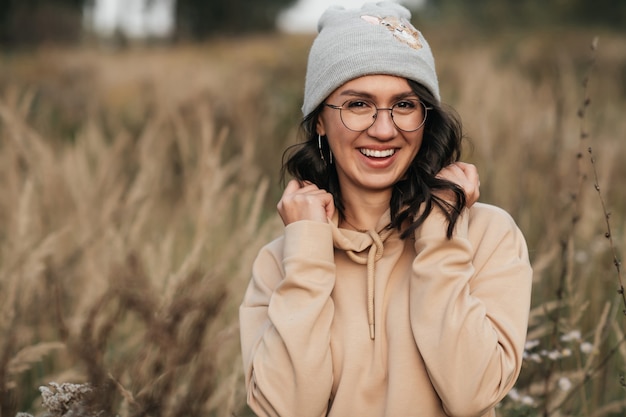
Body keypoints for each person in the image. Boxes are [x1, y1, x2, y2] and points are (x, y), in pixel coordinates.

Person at [239, 2, 533, 416]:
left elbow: (473, 394)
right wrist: (306, 254)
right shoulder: (281, 261)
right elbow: (289, 409)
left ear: (426, 118)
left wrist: (440, 233)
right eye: (357, 104)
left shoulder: (487, 234)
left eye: (404, 104)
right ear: (319, 120)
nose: (383, 128)